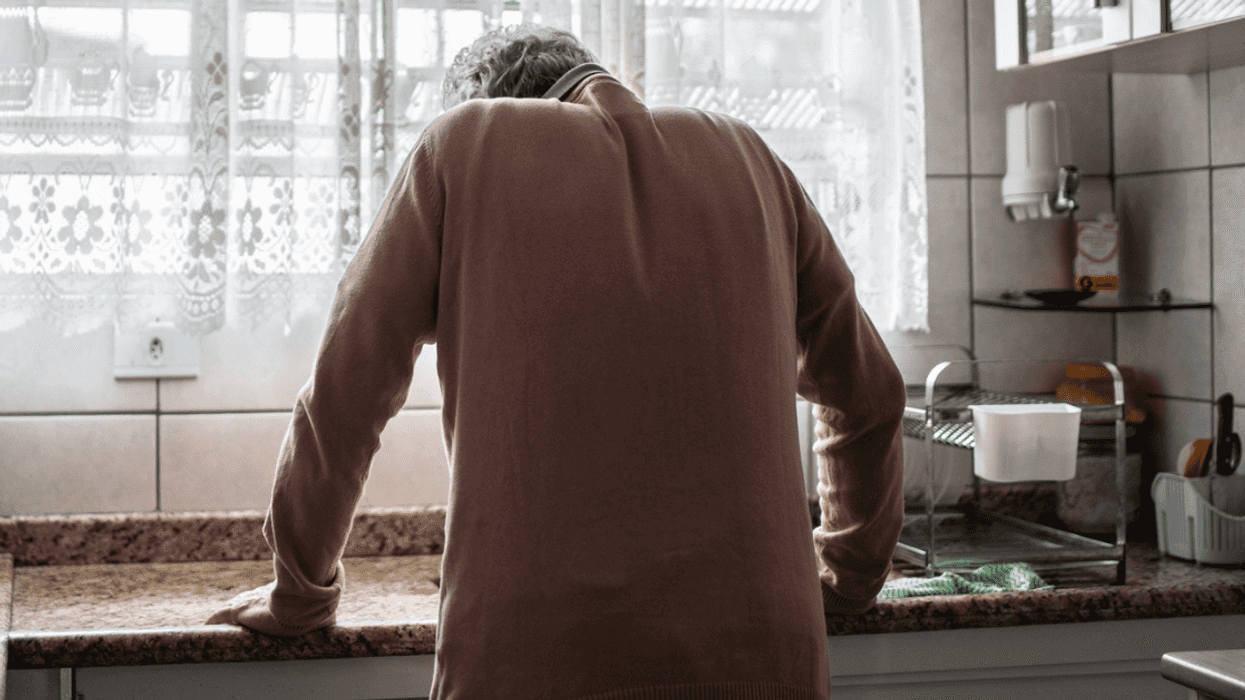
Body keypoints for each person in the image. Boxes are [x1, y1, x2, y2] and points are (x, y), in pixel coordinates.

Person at [208, 23, 906, 700]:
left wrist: (300, 589)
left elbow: (344, 397)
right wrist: (847, 575)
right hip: (762, 653)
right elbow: (869, 394)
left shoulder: (466, 142)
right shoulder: (752, 158)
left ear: (488, 98)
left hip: (536, 660)